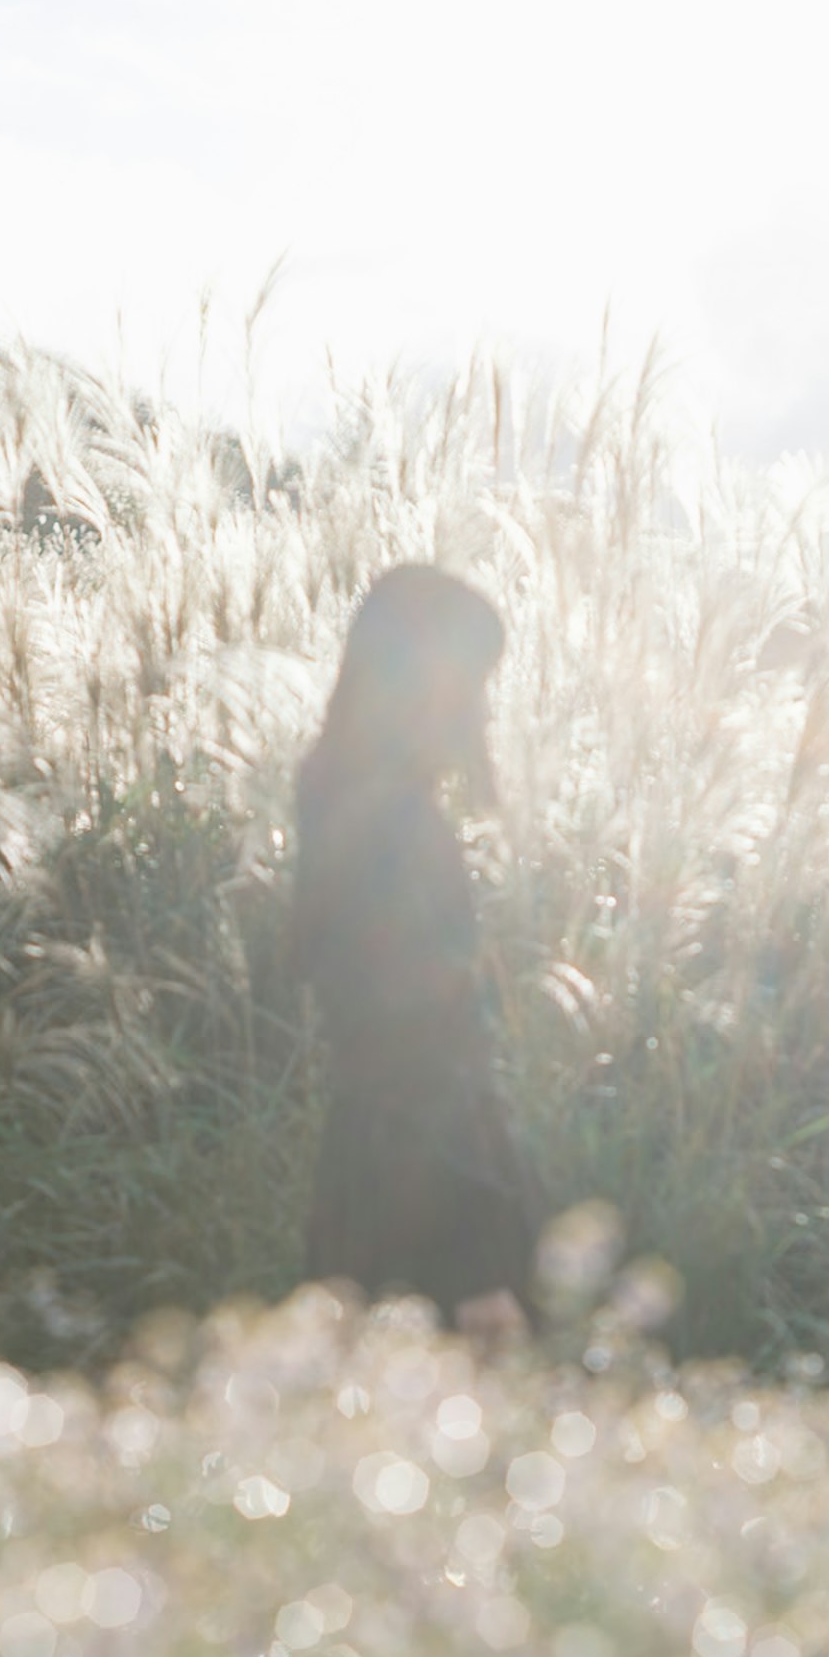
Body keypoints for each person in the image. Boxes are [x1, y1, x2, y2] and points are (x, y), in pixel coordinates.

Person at [285, 564, 541, 1327]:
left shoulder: (337, 801)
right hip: (432, 1195)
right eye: (475, 682)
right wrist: (479, 1266)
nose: (484, 710)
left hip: (367, 1180)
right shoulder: (396, 827)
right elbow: (417, 1049)